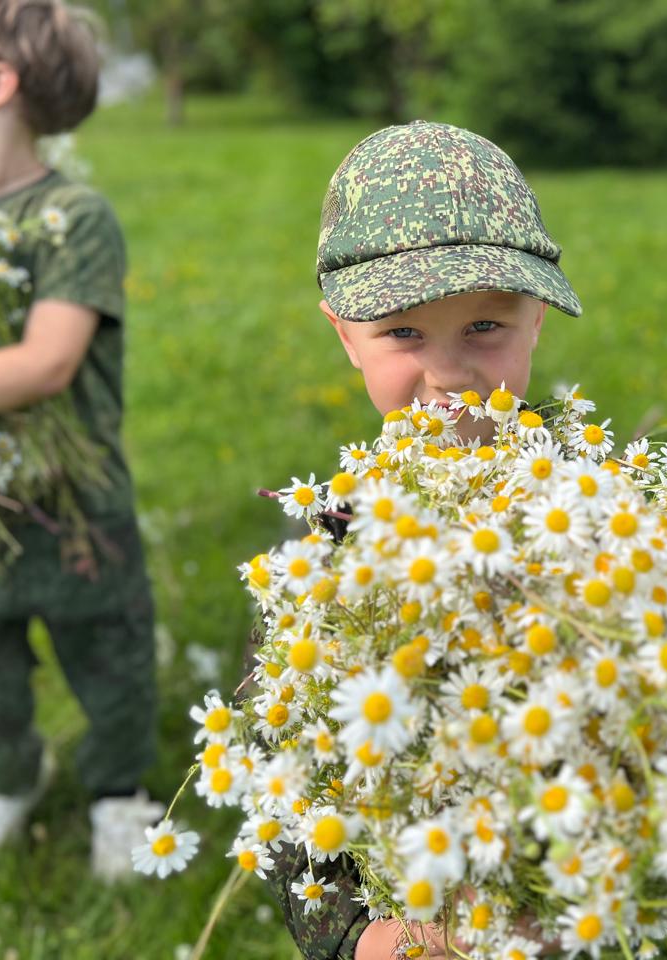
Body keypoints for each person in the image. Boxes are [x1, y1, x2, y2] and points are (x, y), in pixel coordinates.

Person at [263, 120, 582, 958]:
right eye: (403, 333)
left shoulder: (601, 509)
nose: (448, 375)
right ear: (345, 334)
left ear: (537, 319)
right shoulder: (327, 555)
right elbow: (286, 795)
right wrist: (378, 942)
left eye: (485, 328)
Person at [0, 0, 159, 883]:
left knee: (111, 661)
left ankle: (119, 795)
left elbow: (47, 363)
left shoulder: (71, 213)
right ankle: (7, 778)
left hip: (72, 502)